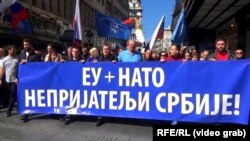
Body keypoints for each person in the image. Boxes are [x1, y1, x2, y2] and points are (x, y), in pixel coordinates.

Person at [19, 38, 41, 122]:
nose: (25, 46)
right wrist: (17, 78)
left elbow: (38, 67)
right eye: (24, 44)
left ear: (31, 45)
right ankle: (25, 114)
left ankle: (28, 112)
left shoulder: (36, 55)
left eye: (27, 44)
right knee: (25, 96)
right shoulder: (21, 54)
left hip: (32, 79)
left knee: (31, 96)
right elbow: (19, 66)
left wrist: (28, 62)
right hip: (23, 79)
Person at [2, 45, 18, 117]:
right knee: (8, 95)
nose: (14, 51)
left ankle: (9, 111)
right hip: (6, 80)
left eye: (15, 50)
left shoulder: (17, 58)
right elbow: (2, 70)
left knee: (13, 95)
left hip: (14, 80)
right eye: (13, 50)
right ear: (9, 50)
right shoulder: (4, 59)